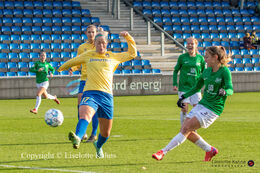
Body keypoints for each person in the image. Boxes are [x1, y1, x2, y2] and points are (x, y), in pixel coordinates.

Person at [57, 31, 137, 158]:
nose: (101, 45)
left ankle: (98, 146)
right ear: (94, 44)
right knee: (85, 116)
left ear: (106, 44)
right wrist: (60, 68)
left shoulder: (113, 56)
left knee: (105, 133)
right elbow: (74, 61)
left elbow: (132, 54)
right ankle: (77, 137)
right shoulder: (88, 55)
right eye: (99, 43)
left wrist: (128, 37)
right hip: (90, 93)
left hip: (106, 97)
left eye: (103, 43)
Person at [152, 46, 233, 161]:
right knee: (185, 130)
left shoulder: (224, 71)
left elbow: (230, 89)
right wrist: (183, 97)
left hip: (213, 109)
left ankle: (162, 152)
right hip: (202, 104)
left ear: (215, 58)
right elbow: (197, 87)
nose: (205, 59)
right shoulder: (206, 71)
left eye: (207, 57)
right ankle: (210, 150)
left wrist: (225, 91)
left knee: (186, 129)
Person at [69, 25, 101, 143]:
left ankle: (94, 134)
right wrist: (73, 67)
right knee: (81, 104)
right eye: (89, 32)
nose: (91, 34)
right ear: (86, 33)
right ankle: (82, 133)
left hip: (96, 79)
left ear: (96, 33)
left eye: (93, 32)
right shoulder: (82, 47)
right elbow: (78, 62)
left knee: (94, 106)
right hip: (84, 79)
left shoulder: (100, 45)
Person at [173, 37, 205, 126]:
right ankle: (183, 129)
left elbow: (204, 73)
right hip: (184, 87)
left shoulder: (200, 58)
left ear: (196, 45)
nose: (190, 45)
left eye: (192, 44)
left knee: (197, 109)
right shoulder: (182, 57)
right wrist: (175, 84)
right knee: (184, 108)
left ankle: (193, 129)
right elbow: (175, 71)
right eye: (188, 44)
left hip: (196, 88)